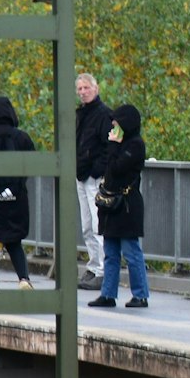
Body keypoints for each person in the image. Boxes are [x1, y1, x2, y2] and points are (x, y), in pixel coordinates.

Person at [88, 104, 150, 310]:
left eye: (116, 124)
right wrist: (113, 146)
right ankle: (108, 293)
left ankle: (140, 294)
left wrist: (114, 146)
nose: (113, 128)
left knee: (131, 251)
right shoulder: (120, 144)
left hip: (127, 206)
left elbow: (117, 168)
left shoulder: (135, 145)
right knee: (111, 251)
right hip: (112, 206)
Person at [0, 96, 36, 290]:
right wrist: (12, 188)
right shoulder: (21, 137)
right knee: (14, 242)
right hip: (16, 199)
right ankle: (24, 278)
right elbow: (31, 165)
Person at [73, 73, 114, 290]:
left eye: (86, 88)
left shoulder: (104, 115)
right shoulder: (81, 115)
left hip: (94, 178)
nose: (82, 92)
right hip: (81, 175)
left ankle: (102, 271)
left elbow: (109, 147)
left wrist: (96, 171)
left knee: (99, 226)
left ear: (95, 88)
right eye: (79, 89)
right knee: (87, 226)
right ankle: (93, 266)